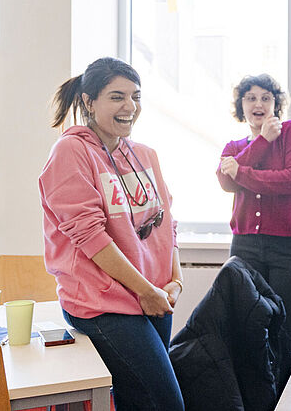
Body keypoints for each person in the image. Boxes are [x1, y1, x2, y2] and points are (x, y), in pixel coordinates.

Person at [39, 57, 185, 411]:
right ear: (89, 102)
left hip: (153, 299)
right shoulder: (71, 152)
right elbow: (89, 236)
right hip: (103, 305)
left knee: (139, 402)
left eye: (135, 97)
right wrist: (145, 290)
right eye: (116, 97)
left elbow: (166, 225)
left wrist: (174, 280)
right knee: (166, 404)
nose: (130, 107)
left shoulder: (145, 155)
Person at [216, 73, 291, 390]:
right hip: (244, 247)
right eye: (251, 98)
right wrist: (261, 143)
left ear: (275, 104)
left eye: (265, 98)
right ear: (241, 105)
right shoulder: (234, 146)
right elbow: (226, 181)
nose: (258, 104)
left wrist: (243, 171)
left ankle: (286, 401)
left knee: (285, 335)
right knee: (246, 330)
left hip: (290, 247)